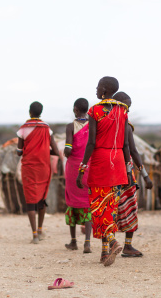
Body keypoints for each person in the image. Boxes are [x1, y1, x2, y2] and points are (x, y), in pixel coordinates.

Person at [76, 76, 131, 267]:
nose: (96, 88)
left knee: (98, 207)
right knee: (110, 208)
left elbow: (91, 142)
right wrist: (129, 169)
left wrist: (82, 168)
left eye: (98, 86)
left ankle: (112, 241)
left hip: (101, 161)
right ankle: (104, 252)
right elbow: (125, 144)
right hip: (117, 161)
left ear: (105, 90)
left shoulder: (95, 110)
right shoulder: (122, 110)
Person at [113, 91, 153, 258]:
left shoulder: (101, 123)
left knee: (111, 208)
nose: (127, 112)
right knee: (129, 208)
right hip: (124, 172)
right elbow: (131, 150)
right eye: (126, 108)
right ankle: (127, 246)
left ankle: (109, 245)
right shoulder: (125, 125)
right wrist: (144, 175)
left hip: (107, 169)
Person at [17, 101, 60, 244]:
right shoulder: (47, 129)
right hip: (43, 167)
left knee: (30, 200)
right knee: (41, 198)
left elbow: (19, 151)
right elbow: (55, 150)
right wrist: (43, 150)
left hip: (29, 167)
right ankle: (41, 230)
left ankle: (34, 235)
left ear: (30, 112)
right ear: (40, 112)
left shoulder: (23, 129)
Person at [63, 98, 92, 253]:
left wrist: (66, 151)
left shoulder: (70, 127)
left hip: (74, 167)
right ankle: (87, 243)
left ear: (75, 109)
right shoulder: (93, 126)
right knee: (87, 203)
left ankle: (73, 241)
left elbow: (68, 149)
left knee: (72, 202)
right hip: (88, 167)